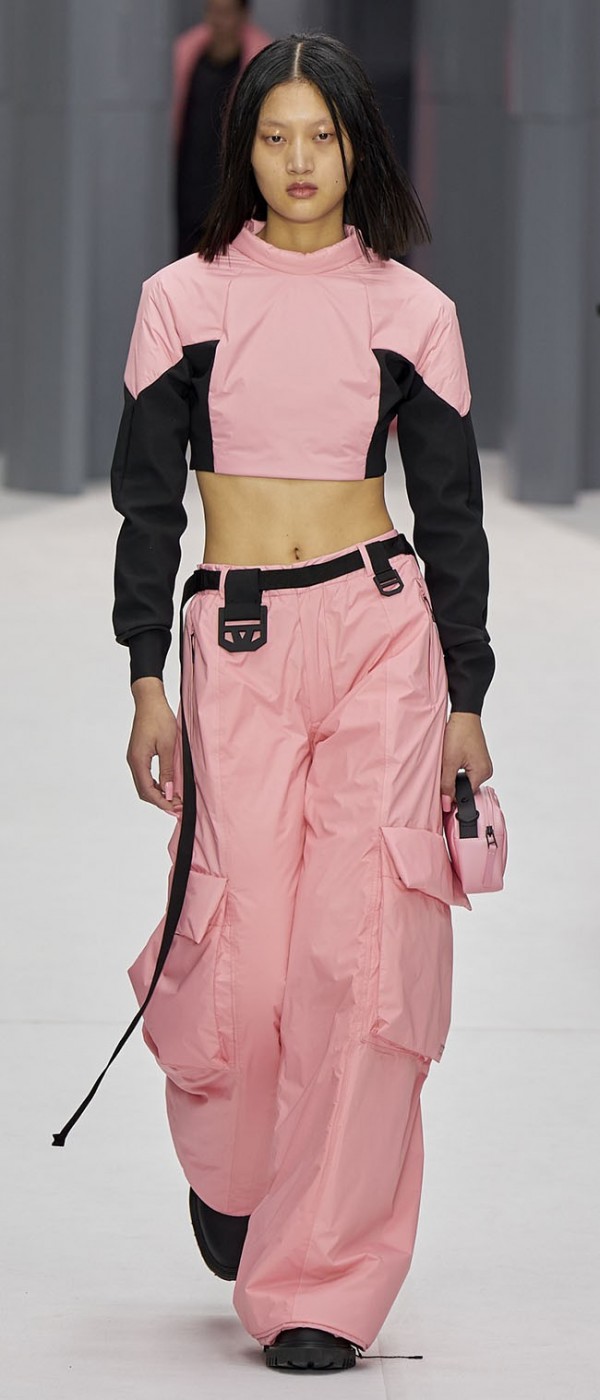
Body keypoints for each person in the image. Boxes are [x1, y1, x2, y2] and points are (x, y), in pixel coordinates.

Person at [58, 29, 496, 1374]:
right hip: (236, 641)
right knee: (242, 949)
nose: (300, 161)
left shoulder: (411, 311)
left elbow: (452, 515)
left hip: (379, 635)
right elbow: (147, 506)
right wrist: (145, 675)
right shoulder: (181, 300)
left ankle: (324, 1282)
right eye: (274, 135)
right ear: (240, 148)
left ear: (357, 147)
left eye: (323, 135)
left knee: (360, 957)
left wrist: (467, 695)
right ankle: (241, 1170)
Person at [173, 0, 271, 257]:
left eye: (226, 13)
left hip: (233, 195)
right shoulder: (185, 55)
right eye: (212, 11)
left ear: (243, 15)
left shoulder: (262, 64)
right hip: (187, 190)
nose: (218, 21)